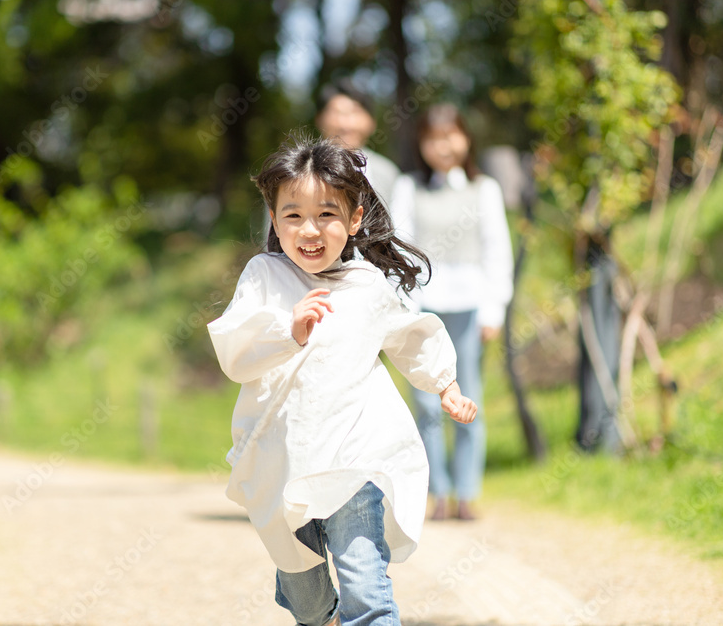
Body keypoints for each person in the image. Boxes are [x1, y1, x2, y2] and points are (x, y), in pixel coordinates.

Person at [208, 136, 477, 626]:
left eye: (327, 214)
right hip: (282, 463)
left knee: (367, 592)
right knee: (308, 604)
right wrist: (287, 330)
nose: (310, 230)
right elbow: (235, 350)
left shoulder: (368, 285)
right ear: (274, 218)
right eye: (293, 215)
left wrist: (446, 385)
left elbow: (409, 335)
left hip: (356, 461)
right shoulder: (263, 276)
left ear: (354, 221)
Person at [389, 104, 514, 521]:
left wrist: (494, 308)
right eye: (433, 138)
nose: (443, 146)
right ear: (421, 145)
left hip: (469, 305)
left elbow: (497, 248)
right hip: (424, 308)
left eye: (451, 135)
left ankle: (467, 492)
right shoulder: (409, 187)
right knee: (426, 403)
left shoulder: (484, 189)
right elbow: (400, 247)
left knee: (467, 396)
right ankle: (436, 492)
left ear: (465, 138)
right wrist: (405, 308)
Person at [315, 79, 402, 210]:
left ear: (372, 122)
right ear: (319, 119)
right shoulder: (298, 168)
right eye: (336, 112)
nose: (345, 123)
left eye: (354, 112)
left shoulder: (388, 173)